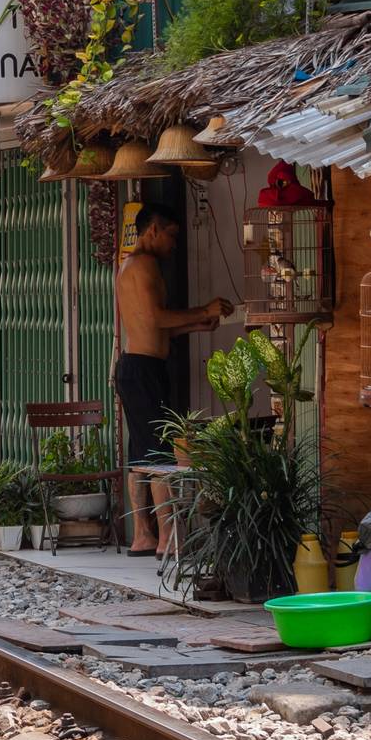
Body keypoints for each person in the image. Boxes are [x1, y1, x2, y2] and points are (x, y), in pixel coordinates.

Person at [114, 202, 232, 555]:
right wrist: (203, 310)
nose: (174, 244)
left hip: (137, 367)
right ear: (153, 229)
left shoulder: (129, 266)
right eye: (171, 235)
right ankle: (167, 538)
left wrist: (197, 324)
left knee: (142, 453)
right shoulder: (146, 263)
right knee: (160, 454)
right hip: (143, 369)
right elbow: (154, 318)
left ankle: (142, 535)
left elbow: (153, 325)